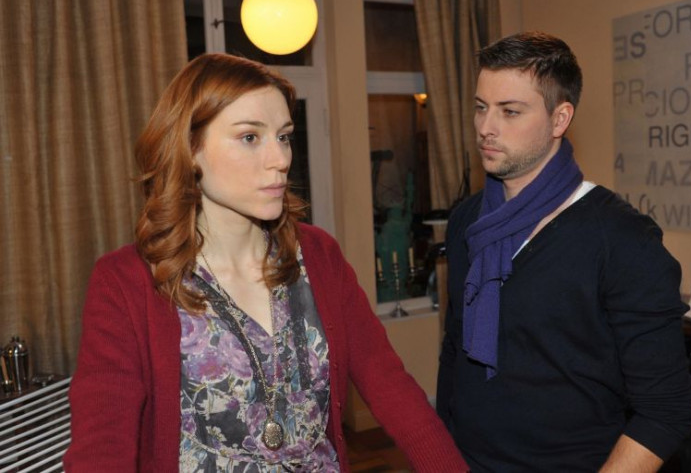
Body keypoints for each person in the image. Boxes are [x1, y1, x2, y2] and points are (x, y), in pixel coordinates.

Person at [63, 53, 468, 472]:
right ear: (190, 148)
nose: (281, 159)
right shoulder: (125, 282)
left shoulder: (319, 256)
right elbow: (101, 446)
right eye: (250, 137)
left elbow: (392, 388)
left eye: (284, 136)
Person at [436, 31, 691, 472]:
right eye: (481, 107)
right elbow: (454, 354)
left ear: (560, 119)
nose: (485, 127)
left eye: (509, 111)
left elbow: (664, 410)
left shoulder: (621, 238)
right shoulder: (466, 221)